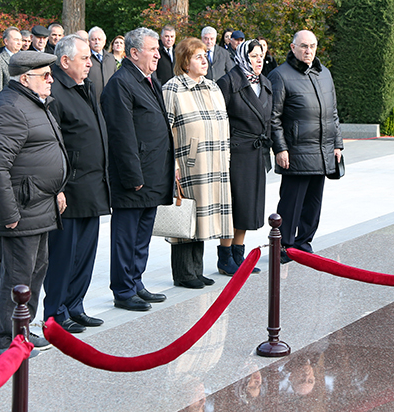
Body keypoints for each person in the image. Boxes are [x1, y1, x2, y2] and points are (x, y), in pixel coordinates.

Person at [0, 50, 66, 360]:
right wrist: (9, 215)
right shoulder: (10, 108)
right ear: (25, 78)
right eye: (45, 75)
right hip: (20, 211)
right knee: (17, 277)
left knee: (35, 272)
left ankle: (24, 330)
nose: (51, 79)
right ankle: (5, 340)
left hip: (39, 207)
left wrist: (57, 189)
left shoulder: (32, 103)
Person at [101, 27, 173, 311]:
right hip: (134, 177)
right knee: (126, 236)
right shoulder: (121, 83)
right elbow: (121, 134)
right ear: (133, 53)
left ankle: (136, 281)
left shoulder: (148, 79)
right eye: (152, 50)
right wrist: (133, 176)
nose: (158, 54)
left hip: (152, 173)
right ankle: (123, 289)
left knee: (142, 235)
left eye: (158, 49)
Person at [43, 35, 110, 333]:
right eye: (84, 58)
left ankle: (75, 305)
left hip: (92, 184)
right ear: (64, 61)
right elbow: (52, 143)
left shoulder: (86, 85)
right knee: (64, 254)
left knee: (85, 252)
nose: (89, 62)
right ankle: (56, 311)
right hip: (70, 187)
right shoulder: (55, 90)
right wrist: (58, 186)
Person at [163, 38, 234, 286]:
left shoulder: (212, 87)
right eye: (197, 57)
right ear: (185, 61)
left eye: (205, 55)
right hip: (188, 162)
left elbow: (224, 125)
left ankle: (197, 269)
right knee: (187, 216)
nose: (204, 60)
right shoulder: (172, 89)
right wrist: (173, 165)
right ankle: (184, 274)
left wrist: (224, 158)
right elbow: (165, 131)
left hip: (213, 162)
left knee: (203, 216)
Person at [269, 30, 343, 261]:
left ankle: (304, 243)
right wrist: (280, 148)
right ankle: (284, 246)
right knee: (291, 203)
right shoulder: (279, 75)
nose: (308, 50)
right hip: (296, 152)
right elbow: (273, 117)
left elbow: (333, 113)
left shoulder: (325, 74)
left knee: (313, 203)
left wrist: (337, 144)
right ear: (292, 48)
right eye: (303, 46)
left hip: (322, 152)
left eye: (312, 46)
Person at [216, 39, 272, 273]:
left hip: (257, 152)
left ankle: (239, 255)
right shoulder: (228, 82)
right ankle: (225, 256)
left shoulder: (265, 83)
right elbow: (219, 119)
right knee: (234, 205)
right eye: (253, 56)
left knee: (249, 206)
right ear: (241, 57)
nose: (258, 60)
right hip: (236, 152)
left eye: (261, 55)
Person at [0, 28, 22, 101]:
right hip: (8, 104)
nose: (19, 43)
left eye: (20, 40)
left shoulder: (25, 58)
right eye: (16, 40)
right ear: (6, 41)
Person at [87, 26, 116, 103]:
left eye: (99, 39)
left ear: (104, 41)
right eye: (93, 39)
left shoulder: (111, 58)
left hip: (110, 101)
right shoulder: (86, 58)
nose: (97, 42)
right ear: (89, 41)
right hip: (92, 101)